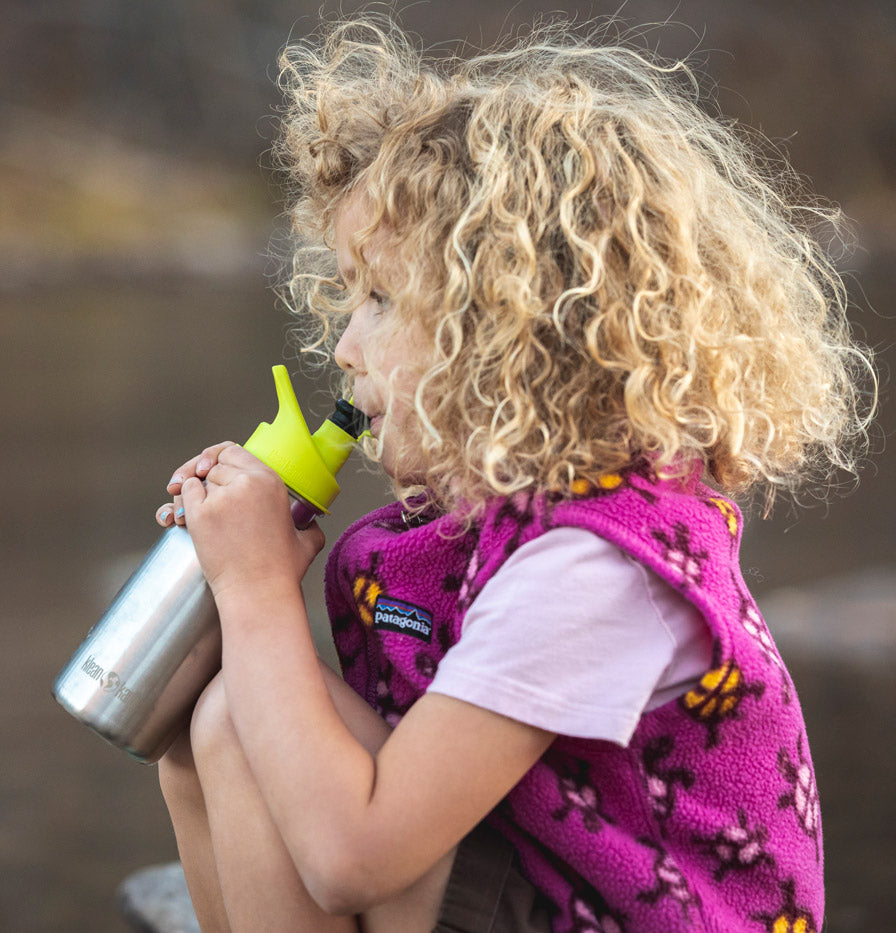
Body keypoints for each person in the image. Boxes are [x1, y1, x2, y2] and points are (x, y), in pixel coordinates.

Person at [149, 13, 876, 933]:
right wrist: (219, 594)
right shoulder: (488, 528)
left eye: (380, 298)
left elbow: (351, 859)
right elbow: (218, 762)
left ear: (510, 327)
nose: (343, 345)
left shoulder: (593, 572)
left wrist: (255, 590)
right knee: (215, 725)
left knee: (247, 729)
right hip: (547, 889)